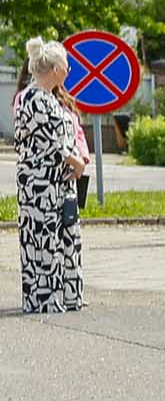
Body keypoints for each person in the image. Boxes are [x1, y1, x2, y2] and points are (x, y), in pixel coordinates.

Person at [13, 39, 90, 313]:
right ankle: (46, 298)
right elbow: (53, 143)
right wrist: (76, 162)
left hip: (59, 183)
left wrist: (77, 162)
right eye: (67, 66)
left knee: (64, 237)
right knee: (43, 239)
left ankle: (68, 295)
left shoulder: (49, 98)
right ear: (56, 68)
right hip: (40, 185)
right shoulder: (33, 98)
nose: (68, 71)